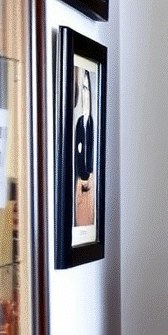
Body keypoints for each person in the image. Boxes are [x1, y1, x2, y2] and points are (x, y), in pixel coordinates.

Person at [74, 68, 95, 228]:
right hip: (82, 175)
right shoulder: (80, 123)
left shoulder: (90, 123)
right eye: (83, 91)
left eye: (87, 91)